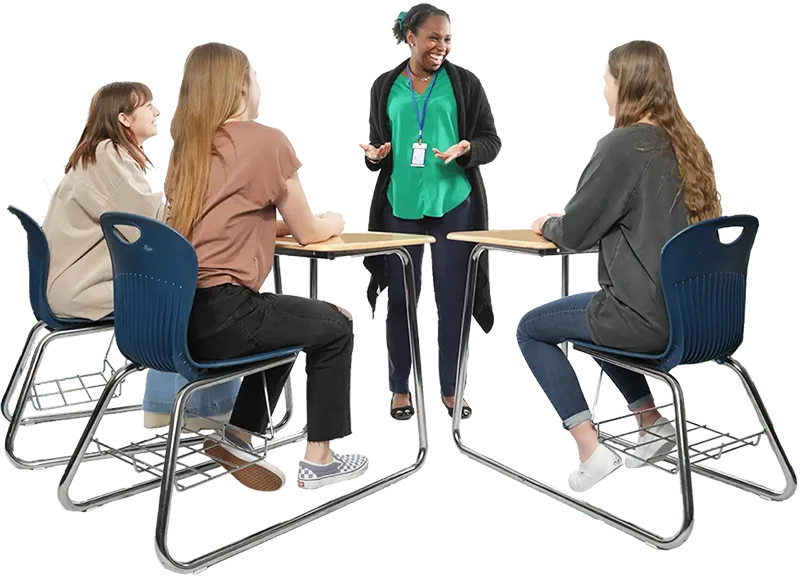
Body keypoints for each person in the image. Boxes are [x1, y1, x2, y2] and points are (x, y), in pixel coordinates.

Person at [518, 40, 723, 493]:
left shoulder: (625, 144)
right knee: (596, 313)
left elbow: (575, 233)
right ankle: (651, 421)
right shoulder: (688, 143)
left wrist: (546, 223)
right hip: (700, 320)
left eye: (607, 80)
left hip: (647, 321)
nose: (604, 89)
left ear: (627, 85)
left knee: (532, 329)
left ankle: (590, 450)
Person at [165, 41, 369, 493]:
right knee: (334, 325)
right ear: (242, 85)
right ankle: (320, 459)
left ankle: (237, 439)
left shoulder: (189, 147)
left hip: (180, 318)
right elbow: (309, 231)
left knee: (286, 323)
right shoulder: (266, 142)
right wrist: (334, 220)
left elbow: (220, 218)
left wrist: (272, 227)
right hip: (228, 314)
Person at [40, 81, 240, 432]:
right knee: (198, 298)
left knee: (175, 293)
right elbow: (154, 225)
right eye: (148, 107)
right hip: (79, 288)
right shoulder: (109, 155)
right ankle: (209, 412)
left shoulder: (100, 153)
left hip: (71, 282)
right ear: (124, 118)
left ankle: (165, 408)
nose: (157, 112)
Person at [360, 4, 501, 421]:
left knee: (453, 299)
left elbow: (491, 140)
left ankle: (453, 390)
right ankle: (400, 388)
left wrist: (469, 149)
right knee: (401, 299)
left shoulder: (464, 83)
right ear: (411, 38)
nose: (441, 46)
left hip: (453, 203)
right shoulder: (385, 86)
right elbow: (380, 143)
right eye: (433, 38)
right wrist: (374, 156)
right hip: (401, 205)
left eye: (447, 39)